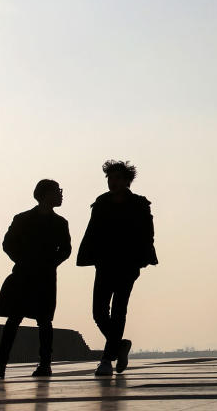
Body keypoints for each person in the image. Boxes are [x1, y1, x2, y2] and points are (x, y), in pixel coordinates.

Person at [77, 160, 158, 376]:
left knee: (119, 310)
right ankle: (120, 346)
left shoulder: (139, 204)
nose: (112, 182)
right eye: (110, 178)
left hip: (128, 264)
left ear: (126, 180)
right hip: (104, 263)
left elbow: (147, 234)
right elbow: (92, 232)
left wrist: (141, 258)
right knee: (99, 311)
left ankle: (106, 360)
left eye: (117, 178)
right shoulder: (102, 202)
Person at [0, 180, 71, 378]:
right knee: (17, 320)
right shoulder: (23, 219)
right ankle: (2, 363)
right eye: (56, 191)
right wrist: (25, 261)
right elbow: (8, 244)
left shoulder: (60, 223)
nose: (60, 195)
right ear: (44, 195)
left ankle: (43, 364)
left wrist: (50, 263)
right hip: (25, 275)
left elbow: (66, 250)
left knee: (41, 321)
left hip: (43, 276)